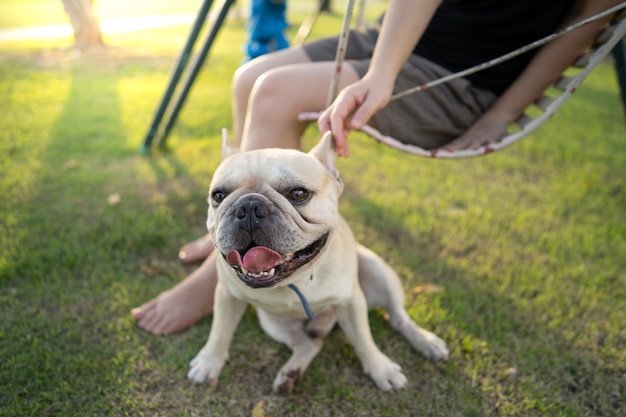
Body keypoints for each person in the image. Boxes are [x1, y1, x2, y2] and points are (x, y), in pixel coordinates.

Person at [132, 0, 620, 335]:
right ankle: (239, 233)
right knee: (250, 78)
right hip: (397, 39)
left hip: (460, 74)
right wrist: (383, 62)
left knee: (274, 94)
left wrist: (500, 112)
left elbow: (590, 15)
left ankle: (214, 280)